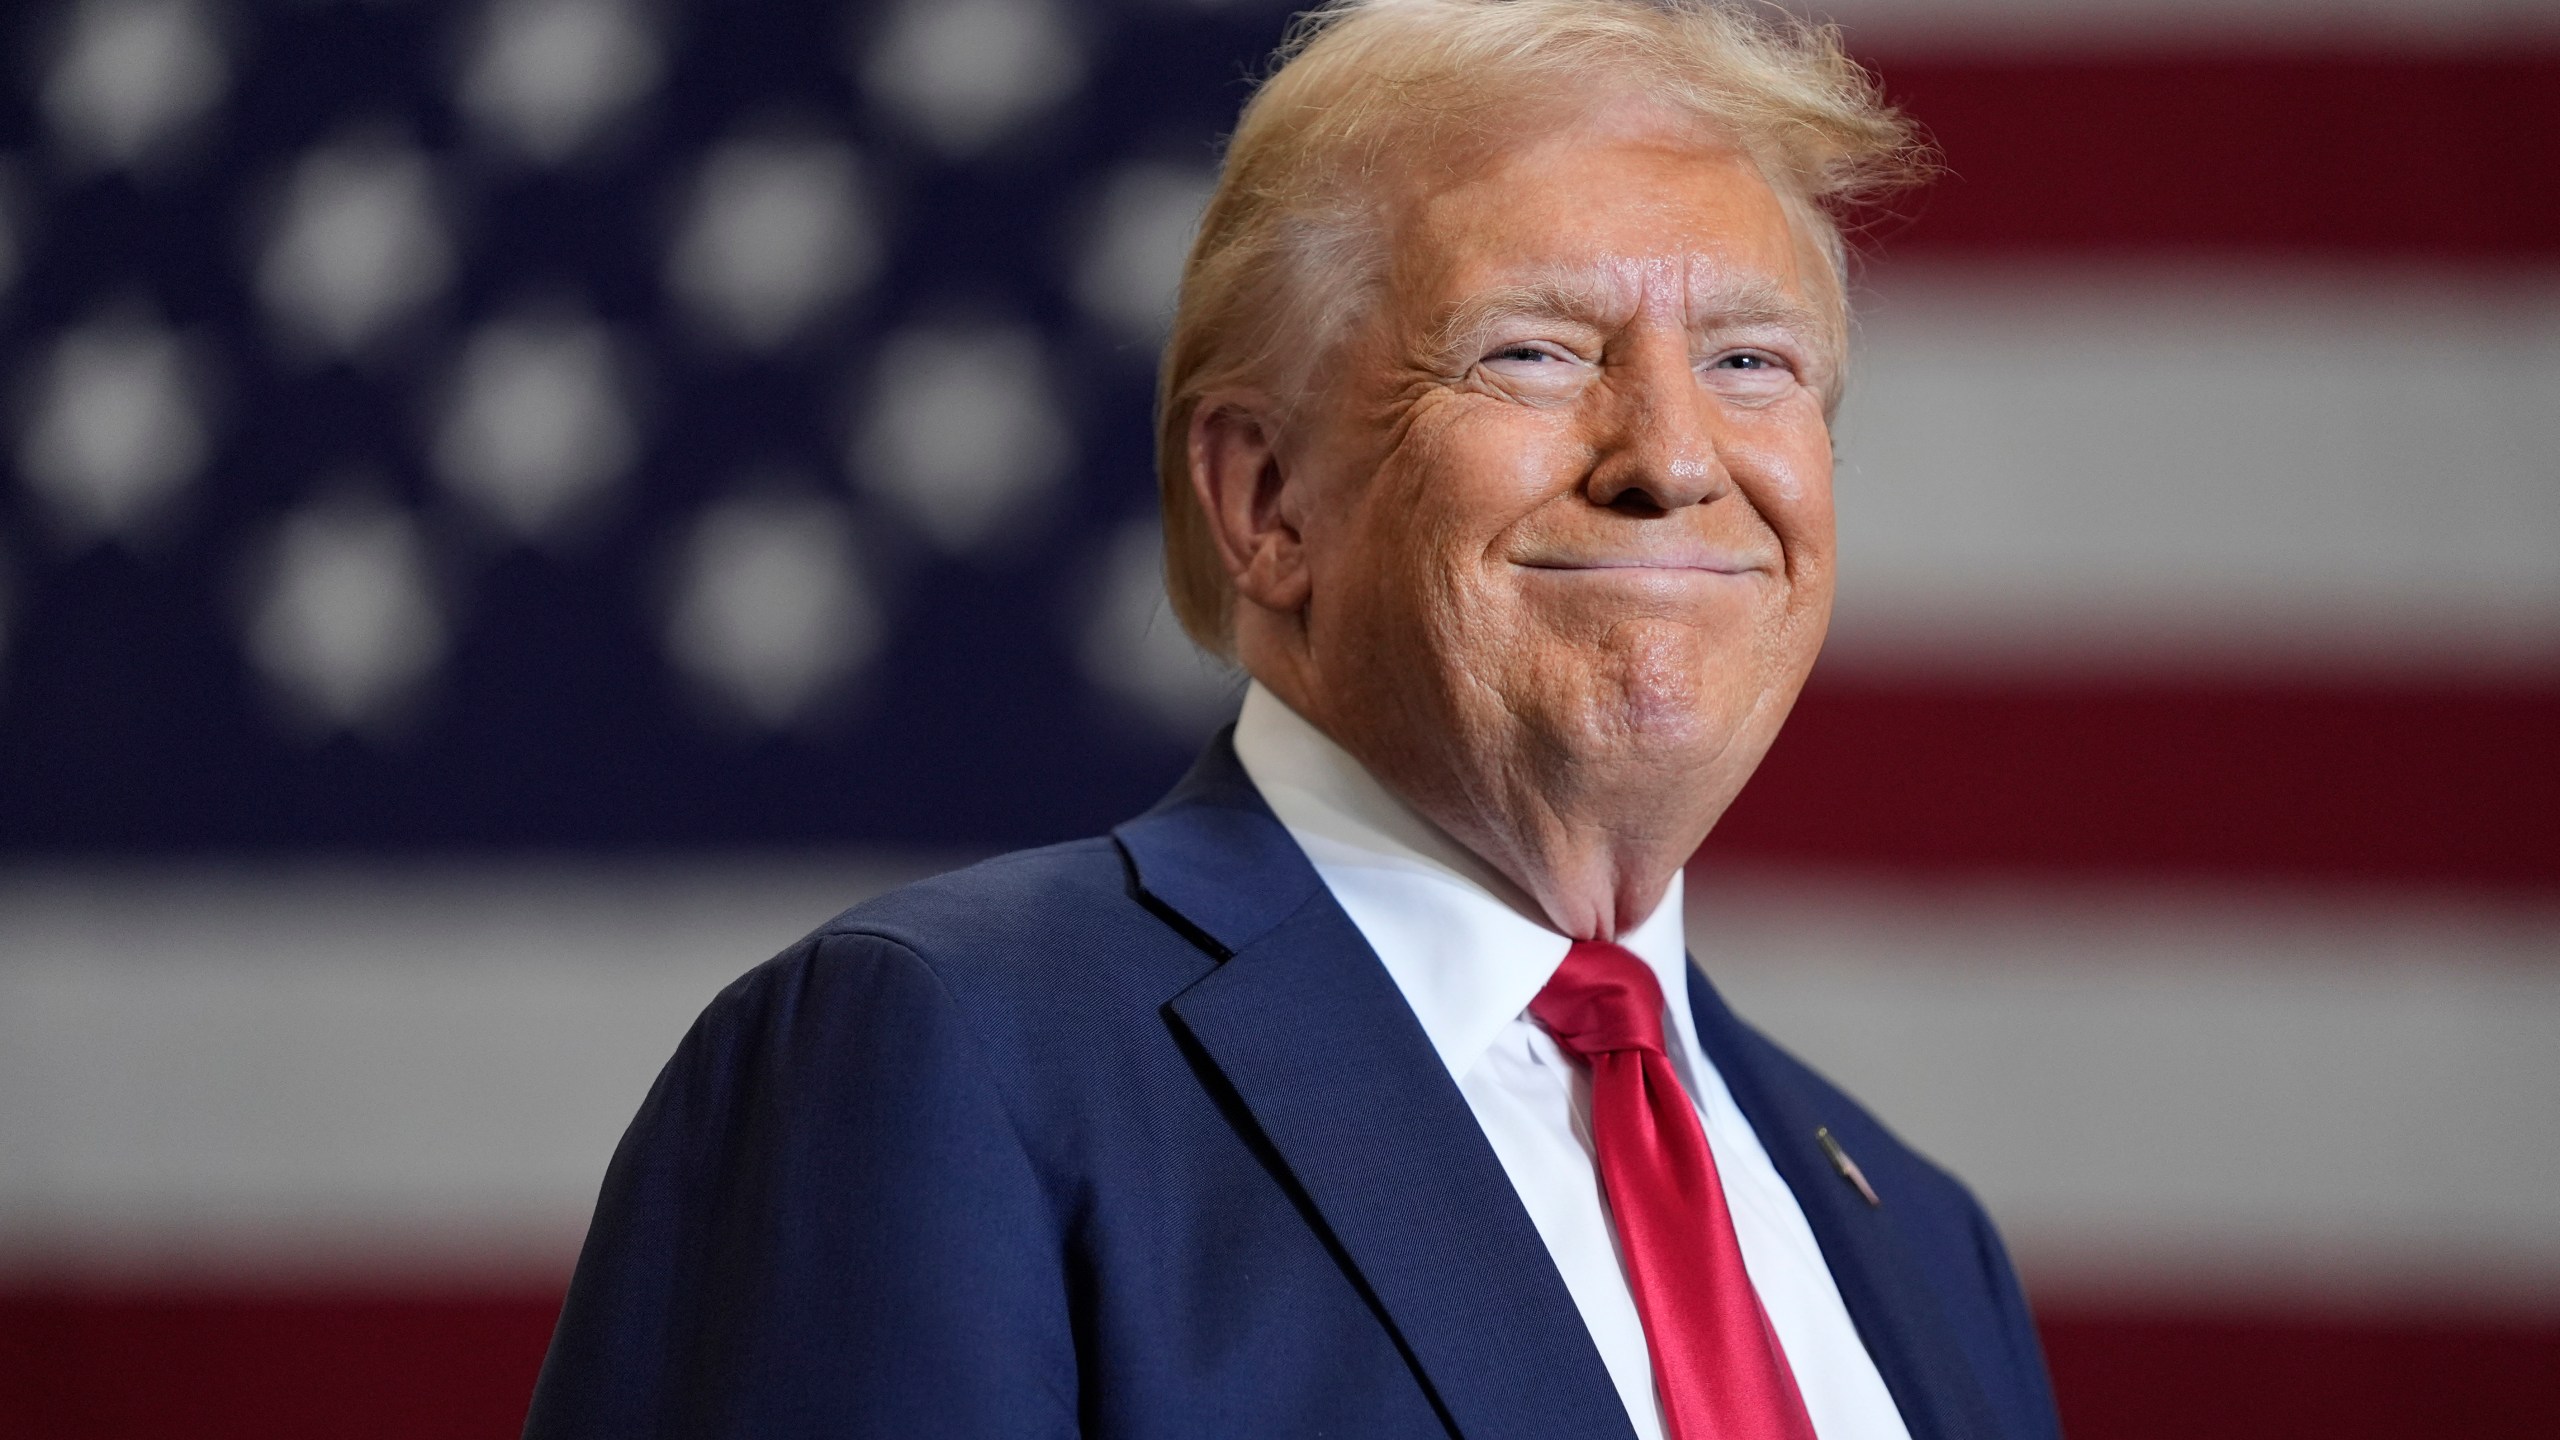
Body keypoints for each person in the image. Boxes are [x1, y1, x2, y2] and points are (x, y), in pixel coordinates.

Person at [524, 2, 2062, 1437]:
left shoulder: (1922, 1247)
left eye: (1750, 360)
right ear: (1267, 504)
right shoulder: (943, 1057)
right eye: (1532, 351)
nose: (1672, 455)